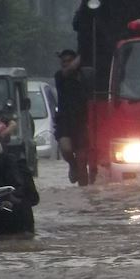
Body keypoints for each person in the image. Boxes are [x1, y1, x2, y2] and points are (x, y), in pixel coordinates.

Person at [54, 48, 94, 185]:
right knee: (66, 149)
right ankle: (72, 164)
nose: (65, 64)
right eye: (63, 61)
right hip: (64, 119)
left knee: (82, 160)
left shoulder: (84, 76)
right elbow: (69, 70)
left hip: (81, 121)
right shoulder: (60, 76)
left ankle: (84, 191)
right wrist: (81, 56)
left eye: (68, 61)